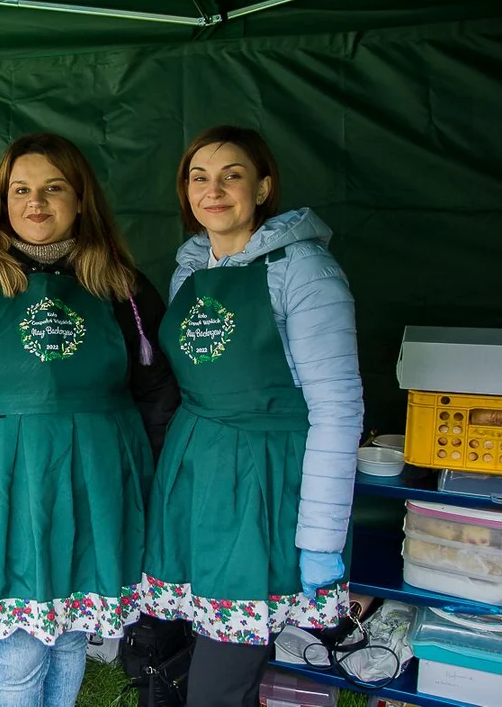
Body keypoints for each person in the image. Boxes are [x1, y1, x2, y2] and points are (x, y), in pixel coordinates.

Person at [0, 133, 179, 707]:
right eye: (20, 190)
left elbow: (157, 392)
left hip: (94, 484)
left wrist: (148, 490)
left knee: (71, 635)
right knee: (20, 646)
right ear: (1, 201)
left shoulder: (121, 286)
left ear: (81, 200)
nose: (36, 204)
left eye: (53, 189)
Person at [141, 125, 364, 706]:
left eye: (231, 176)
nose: (213, 191)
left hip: (264, 479)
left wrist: (320, 538)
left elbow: (338, 410)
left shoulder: (305, 270)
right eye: (199, 178)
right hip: (197, 472)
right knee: (210, 648)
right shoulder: (191, 266)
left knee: (220, 675)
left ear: (263, 187)